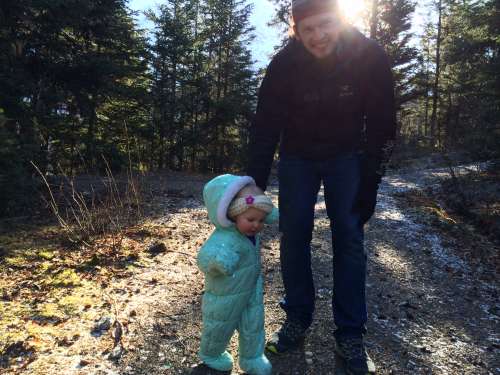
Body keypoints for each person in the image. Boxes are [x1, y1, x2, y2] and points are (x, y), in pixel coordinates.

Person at [245, 0, 397, 373]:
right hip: (297, 157)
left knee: (349, 236)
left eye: (325, 24)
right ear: (296, 29)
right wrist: (253, 187)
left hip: (348, 156)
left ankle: (350, 332)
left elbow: (382, 123)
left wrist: (371, 182)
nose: (318, 36)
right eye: (307, 28)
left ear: (340, 19)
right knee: (294, 233)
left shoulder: (369, 56)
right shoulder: (284, 64)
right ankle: (297, 315)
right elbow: (265, 127)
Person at [197, 174, 278, 375]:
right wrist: (219, 261)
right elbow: (204, 258)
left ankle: (252, 358)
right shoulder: (223, 237)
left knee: (254, 325)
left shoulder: (250, 231)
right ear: (233, 215)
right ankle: (211, 354)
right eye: (250, 219)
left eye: (261, 220)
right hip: (225, 293)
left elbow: (265, 213)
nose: (256, 225)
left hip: (251, 288)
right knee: (219, 326)